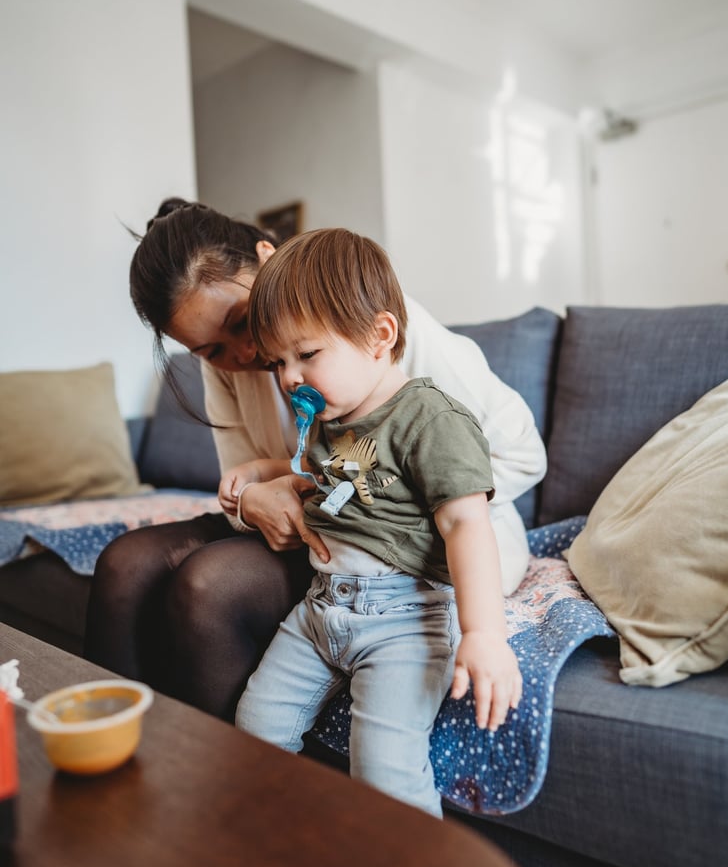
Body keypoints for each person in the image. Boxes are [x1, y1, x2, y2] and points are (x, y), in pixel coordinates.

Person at [84, 200, 546, 721]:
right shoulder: (232, 369)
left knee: (207, 582)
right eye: (210, 351)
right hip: (318, 514)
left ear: (268, 256)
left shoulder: (370, 328)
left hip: (399, 539)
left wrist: (392, 502)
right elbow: (255, 473)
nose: (244, 354)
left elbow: (520, 454)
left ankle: (223, 761)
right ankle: (112, 746)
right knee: (125, 564)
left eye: (240, 322)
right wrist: (251, 498)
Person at [235, 228, 522, 817]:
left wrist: (484, 634)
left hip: (406, 620)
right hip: (319, 611)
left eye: (306, 355)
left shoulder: (430, 419)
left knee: (384, 775)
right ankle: (282, 846)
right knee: (255, 729)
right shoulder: (330, 418)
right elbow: (324, 477)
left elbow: (467, 525)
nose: (288, 378)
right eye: (278, 363)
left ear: (379, 335)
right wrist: (265, 473)